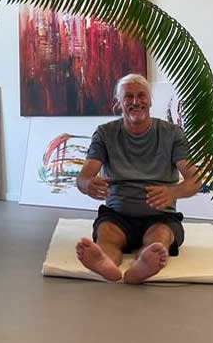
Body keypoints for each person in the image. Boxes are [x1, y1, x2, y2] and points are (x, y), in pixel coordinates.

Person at [76, 74, 201, 284]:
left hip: (160, 216)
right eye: (128, 96)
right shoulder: (105, 133)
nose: (135, 101)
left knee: (160, 237)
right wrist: (88, 184)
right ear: (119, 103)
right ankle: (105, 261)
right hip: (117, 215)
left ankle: (143, 263)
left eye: (141, 95)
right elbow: (83, 177)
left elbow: (195, 180)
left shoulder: (172, 134)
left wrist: (173, 192)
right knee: (107, 235)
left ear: (150, 100)